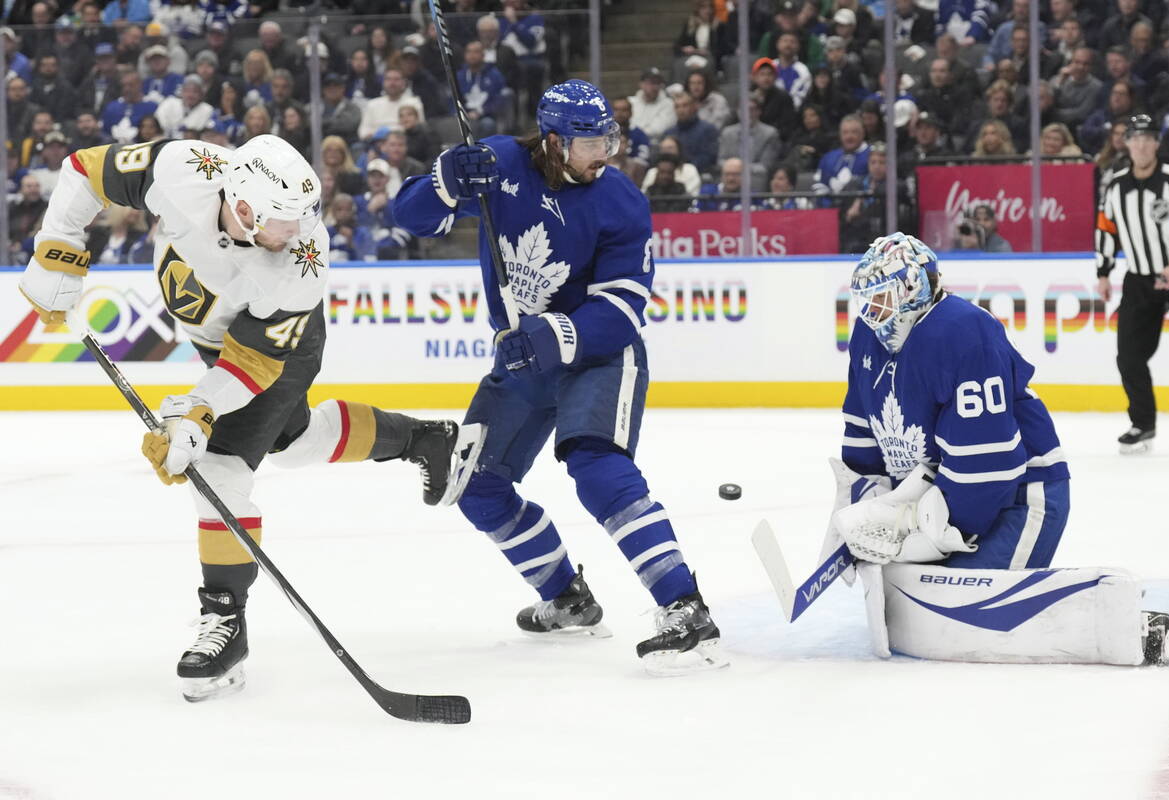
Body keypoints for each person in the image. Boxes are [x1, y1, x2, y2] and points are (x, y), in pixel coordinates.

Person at [17, 134, 479, 702]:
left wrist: (198, 413)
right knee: (294, 438)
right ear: (241, 206)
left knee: (217, 468)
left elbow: (254, 362)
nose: (300, 232)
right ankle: (423, 439)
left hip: (272, 352)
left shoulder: (300, 266)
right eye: (283, 222)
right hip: (218, 341)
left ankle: (225, 621)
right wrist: (57, 243)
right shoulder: (182, 169)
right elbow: (84, 169)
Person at [392, 79, 728, 675]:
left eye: (611, 137)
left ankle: (684, 606)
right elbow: (412, 218)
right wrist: (443, 181)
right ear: (553, 141)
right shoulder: (499, 163)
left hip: (597, 356)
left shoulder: (620, 201)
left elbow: (624, 306)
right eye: (593, 140)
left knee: (596, 465)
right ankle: (566, 597)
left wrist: (553, 336)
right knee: (475, 484)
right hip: (522, 361)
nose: (608, 151)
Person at [821, 232, 1169, 666]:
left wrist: (934, 539)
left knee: (959, 616)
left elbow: (989, 468)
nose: (871, 313)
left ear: (911, 291)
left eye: (881, 299)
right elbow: (863, 429)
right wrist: (862, 508)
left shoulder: (962, 332)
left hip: (1021, 495)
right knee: (912, 599)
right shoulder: (868, 336)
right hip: (945, 490)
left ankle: (1129, 626)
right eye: (866, 301)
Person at [1095, 115, 1169, 453]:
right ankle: (1143, 423)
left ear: (1157, 143)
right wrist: (1103, 271)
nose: (1141, 144)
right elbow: (1106, 229)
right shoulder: (1116, 184)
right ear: (1125, 143)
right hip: (1139, 278)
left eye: (1148, 138)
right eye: (1135, 138)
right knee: (1129, 356)